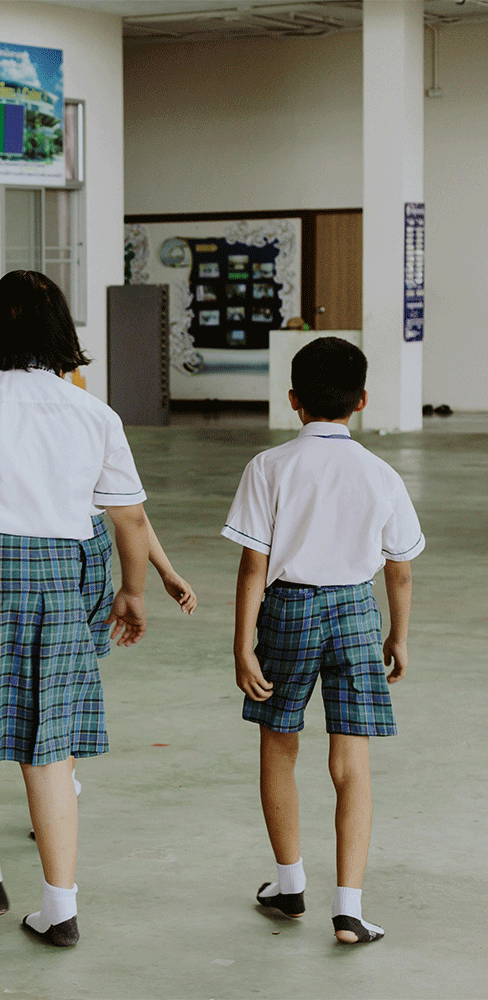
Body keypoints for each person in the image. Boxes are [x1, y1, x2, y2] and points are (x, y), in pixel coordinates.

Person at [0, 270, 179, 948]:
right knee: (49, 745)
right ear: (63, 334)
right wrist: (133, 590)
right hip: (58, 577)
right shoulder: (93, 413)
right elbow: (129, 518)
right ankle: (60, 907)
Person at [222, 336, 424, 944]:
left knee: (279, 746)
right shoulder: (381, 473)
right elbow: (399, 569)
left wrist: (242, 645)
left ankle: (289, 886)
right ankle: (349, 909)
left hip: (287, 610)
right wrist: (399, 635)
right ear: (361, 401)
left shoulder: (269, 466)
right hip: (356, 613)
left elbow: (253, 567)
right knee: (351, 764)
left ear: (293, 400)